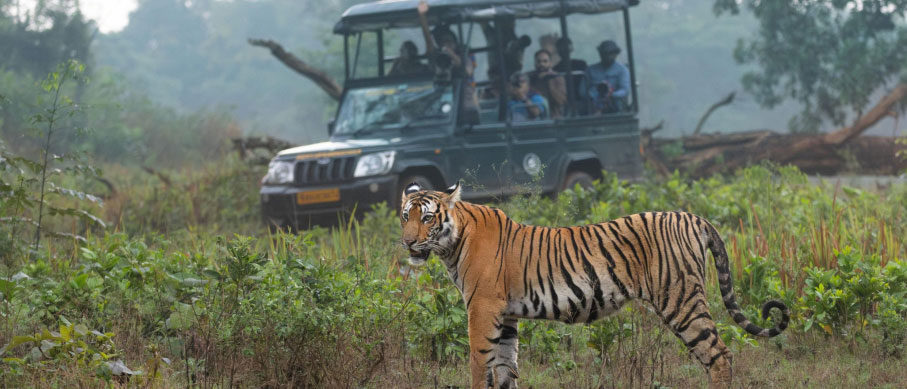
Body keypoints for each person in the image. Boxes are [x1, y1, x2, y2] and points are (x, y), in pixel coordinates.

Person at [583, 40, 630, 113]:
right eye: (605, 53)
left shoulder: (622, 70)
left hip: (615, 104)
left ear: (616, 54)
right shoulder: (590, 70)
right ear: (600, 54)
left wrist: (611, 95)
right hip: (592, 105)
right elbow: (582, 90)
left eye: (610, 53)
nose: (607, 56)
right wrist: (593, 96)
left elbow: (624, 90)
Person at [552, 37, 587, 113]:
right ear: (557, 51)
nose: (564, 49)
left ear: (571, 48)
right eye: (561, 47)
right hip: (564, 103)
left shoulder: (581, 65)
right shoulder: (555, 70)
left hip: (583, 101)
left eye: (566, 46)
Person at [528, 49, 566, 118]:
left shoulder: (557, 77)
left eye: (545, 61)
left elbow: (560, 102)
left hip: (554, 118)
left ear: (550, 63)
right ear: (535, 63)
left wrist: (549, 80)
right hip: (534, 119)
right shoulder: (530, 77)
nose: (542, 64)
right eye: (539, 61)